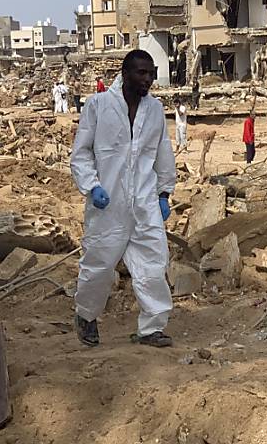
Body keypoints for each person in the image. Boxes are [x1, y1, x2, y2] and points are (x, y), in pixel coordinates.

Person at [70, 49, 176, 349]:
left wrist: (164, 192)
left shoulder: (154, 109)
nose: (148, 80)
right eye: (141, 73)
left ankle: (151, 328)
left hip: (144, 201)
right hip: (108, 204)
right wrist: (92, 186)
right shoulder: (99, 105)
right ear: (125, 73)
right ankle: (86, 315)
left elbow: (162, 151)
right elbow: (81, 154)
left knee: (153, 263)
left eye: (151, 73)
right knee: (99, 264)